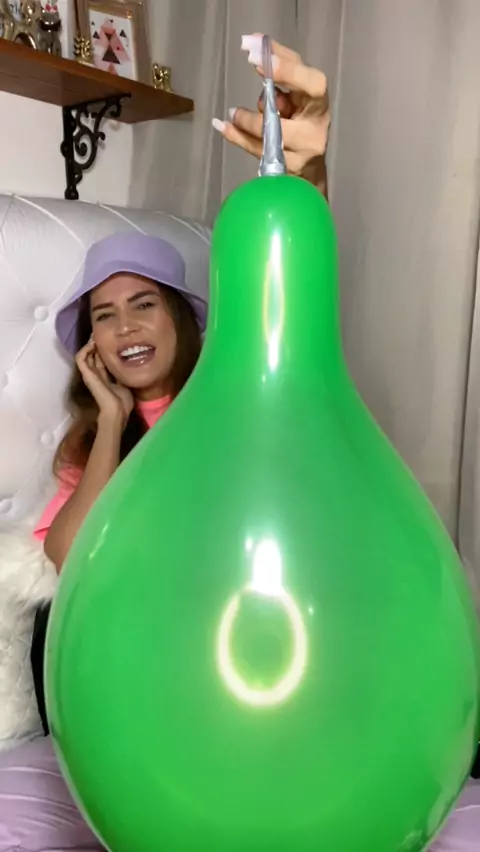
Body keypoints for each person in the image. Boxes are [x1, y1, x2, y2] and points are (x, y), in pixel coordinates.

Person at [0, 32, 478, 852]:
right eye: (103, 317)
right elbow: (74, 562)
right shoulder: (95, 446)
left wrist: (305, 180)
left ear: (185, 317)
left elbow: (304, 497)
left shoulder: (250, 409)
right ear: (90, 347)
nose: (124, 328)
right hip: (150, 675)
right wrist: (111, 422)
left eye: (143, 304)